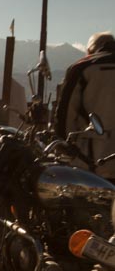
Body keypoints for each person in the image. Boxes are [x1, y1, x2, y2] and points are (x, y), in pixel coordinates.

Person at [54, 32, 115, 178]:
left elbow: (66, 113)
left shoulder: (83, 67)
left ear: (90, 49)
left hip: (92, 157)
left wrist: (63, 144)